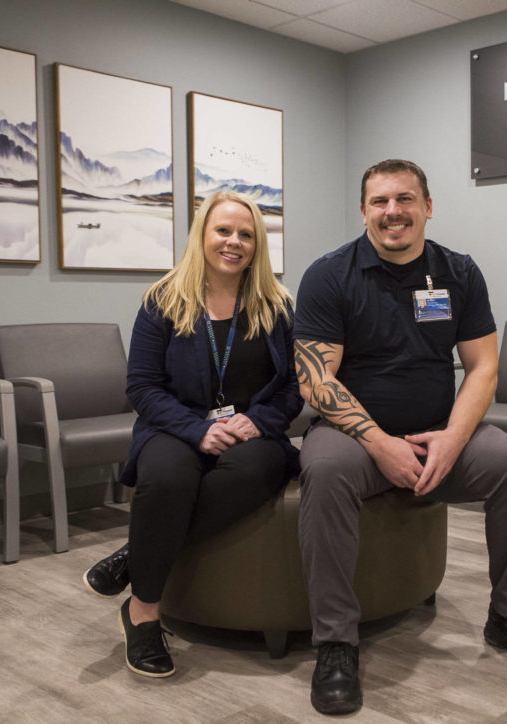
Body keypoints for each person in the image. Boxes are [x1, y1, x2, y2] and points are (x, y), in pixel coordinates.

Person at [293, 159, 507, 715]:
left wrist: (453, 439)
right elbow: (315, 379)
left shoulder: (458, 272)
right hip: (354, 437)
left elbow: (483, 367)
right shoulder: (329, 275)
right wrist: (380, 443)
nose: (393, 212)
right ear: (364, 210)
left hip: (440, 431)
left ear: (428, 207)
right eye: (380, 201)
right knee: (322, 470)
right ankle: (337, 643)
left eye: (406, 199)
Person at [83, 190, 302, 678]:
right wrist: (196, 429)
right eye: (223, 230)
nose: (234, 242)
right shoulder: (162, 300)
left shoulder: (276, 305)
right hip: (173, 428)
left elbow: (293, 387)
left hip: (251, 436)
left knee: (257, 470)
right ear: (202, 234)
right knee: (166, 480)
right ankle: (143, 615)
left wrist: (259, 421)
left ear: (258, 245)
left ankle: (130, 558)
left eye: (246, 234)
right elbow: (141, 386)